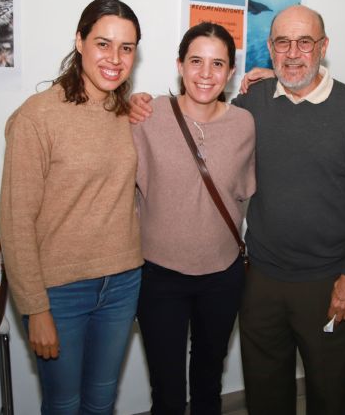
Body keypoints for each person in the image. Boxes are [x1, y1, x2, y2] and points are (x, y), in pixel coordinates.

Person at [131, 4, 345, 415]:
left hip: (327, 282)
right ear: (269, 48)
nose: (293, 52)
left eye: (305, 42)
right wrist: (135, 102)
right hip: (261, 280)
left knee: (330, 393)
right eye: (282, 42)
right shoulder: (255, 105)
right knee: (265, 393)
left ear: (323, 46)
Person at [0, 0, 144, 415]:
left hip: (121, 284)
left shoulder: (126, 113)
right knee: (63, 405)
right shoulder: (36, 118)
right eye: (103, 43)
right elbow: (16, 220)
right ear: (79, 42)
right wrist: (36, 308)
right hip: (60, 292)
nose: (115, 58)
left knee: (101, 402)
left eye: (127, 48)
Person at [132, 22, 256, 415]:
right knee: (166, 391)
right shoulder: (146, 116)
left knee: (208, 383)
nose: (206, 74)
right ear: (180, 66)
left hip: (222, 274)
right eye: (196, 61)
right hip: (159, 276)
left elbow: (243, 190)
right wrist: (129, 101)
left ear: (231, 72)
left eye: (218, 64)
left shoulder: (244, 124)